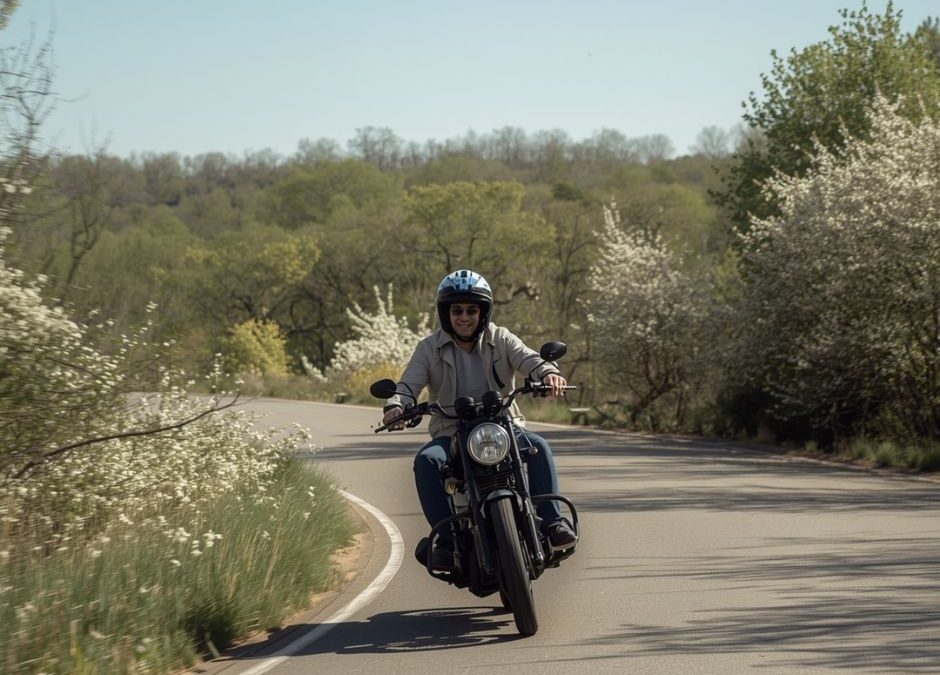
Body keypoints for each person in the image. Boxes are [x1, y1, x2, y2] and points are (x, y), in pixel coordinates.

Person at [382, 269, 578, 571]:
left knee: (538, 447)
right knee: (426, 461)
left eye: (471, 310)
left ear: (482, 312)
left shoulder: (501, 337)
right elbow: (408, 385)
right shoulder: (428, 348)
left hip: (503, 426)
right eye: (457, 310)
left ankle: (552, 524)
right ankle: (447, 542)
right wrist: (396, 406)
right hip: (451, 432)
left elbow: (529, 359)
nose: (464, 317)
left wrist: (548, 373)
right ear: (446, 313)